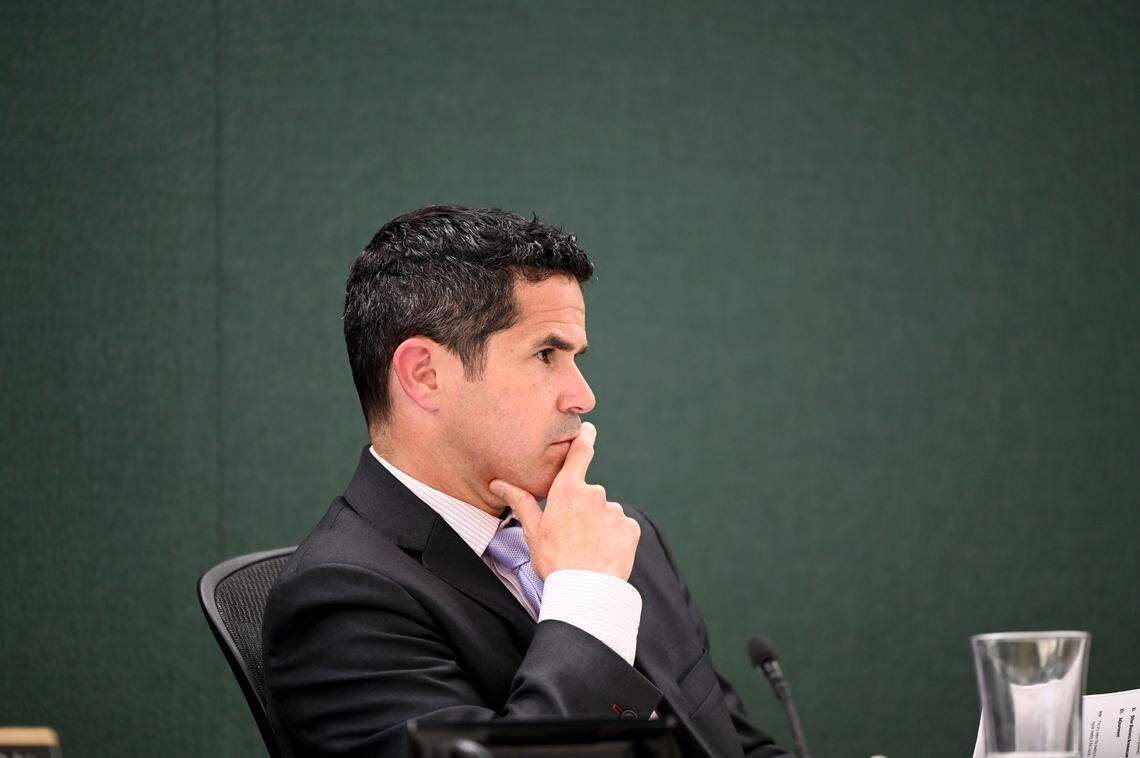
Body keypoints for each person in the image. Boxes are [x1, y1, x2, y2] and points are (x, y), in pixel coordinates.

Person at [262, 205, 790, 757]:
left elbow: (737, 748)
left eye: (575, 358)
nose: (584, 396)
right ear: (424, 375)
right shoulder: (340, 599)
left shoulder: (619, 539)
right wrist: (588, 598)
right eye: (545, 354)